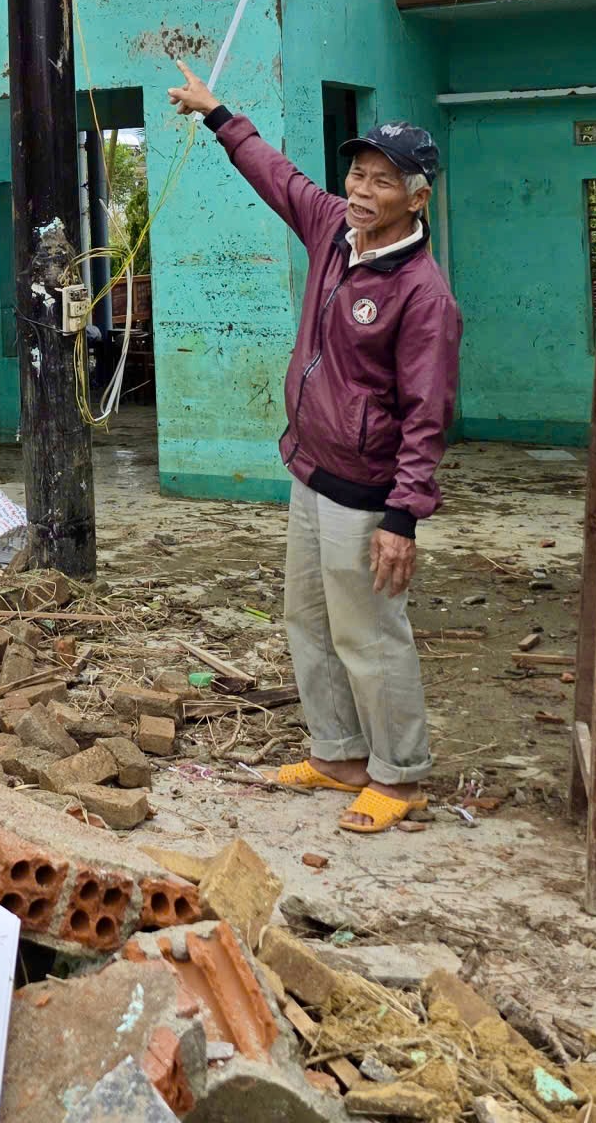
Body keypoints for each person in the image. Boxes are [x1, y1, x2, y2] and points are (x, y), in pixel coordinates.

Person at [167, 59, 461, 833]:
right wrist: (217, 113)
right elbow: (278, 175)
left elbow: (428, 415)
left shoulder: (424, 295)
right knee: (306, 619)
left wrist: (404, 516)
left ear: (417, 198)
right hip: (312, 470)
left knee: (369, 633)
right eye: (358, 175)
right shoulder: (334, 230)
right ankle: (337, 752)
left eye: (382, 183)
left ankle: (398, 774)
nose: (362, 192)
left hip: (368, 490)